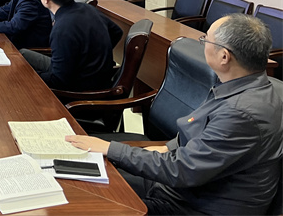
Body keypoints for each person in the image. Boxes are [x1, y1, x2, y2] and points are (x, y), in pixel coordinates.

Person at [66, 14, 282, 215]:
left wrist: (111, 149)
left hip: (193, 205)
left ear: (224, 56)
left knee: (84, 202)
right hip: (187, 187)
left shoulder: (240, 112)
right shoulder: (247, 86)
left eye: (206, 39)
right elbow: (201, 136)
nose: (203, 43)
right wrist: (168, 147)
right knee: (82, 176)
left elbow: (183, 170)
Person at [21, 0, 122, 91]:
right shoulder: (88, 8)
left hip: (79, 87)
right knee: (22, 54)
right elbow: (117, 32)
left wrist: (30, 77)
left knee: (21, 76)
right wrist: (94, 56)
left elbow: (58, 81)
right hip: (83, 72)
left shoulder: (61, 29)